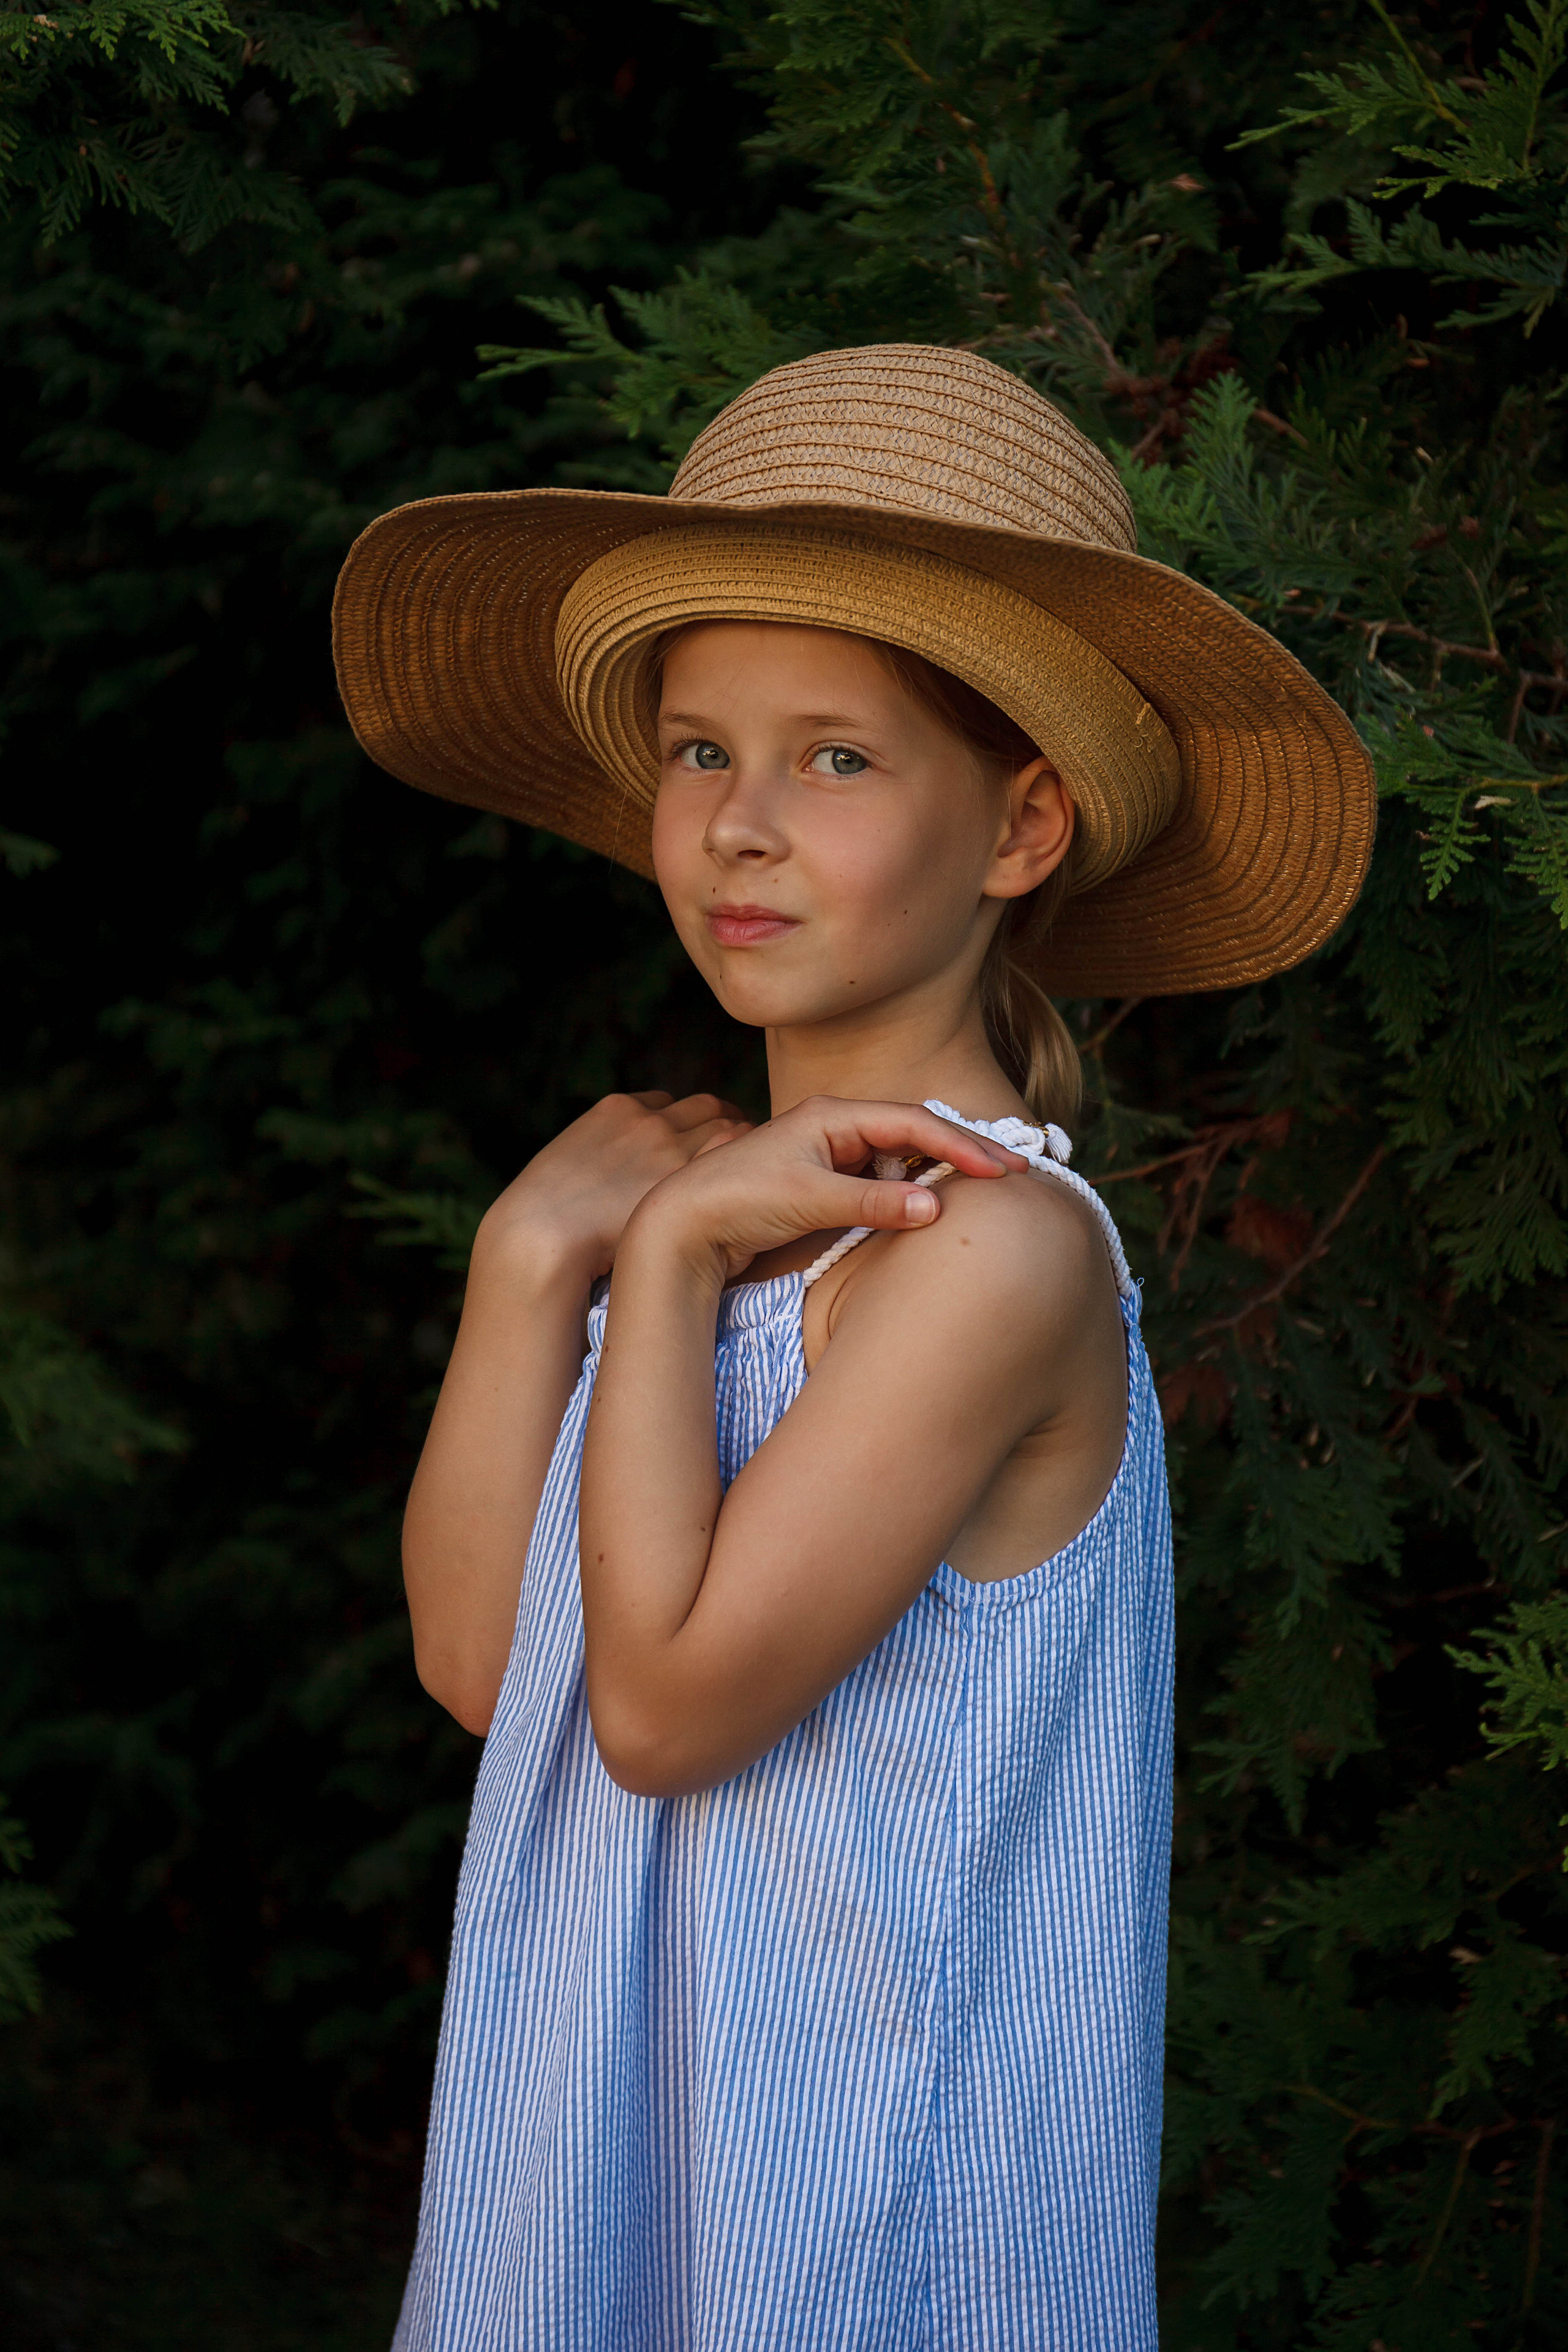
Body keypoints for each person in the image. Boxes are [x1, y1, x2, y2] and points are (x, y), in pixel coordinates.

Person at [333, 345, 1374, 2351]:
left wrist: (662, 1254)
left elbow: (664, 1716)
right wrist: (527, 1263)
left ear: (1023, 824)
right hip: (607, 2150)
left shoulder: (991, 1256)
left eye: (835, 760)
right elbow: (490, 1667)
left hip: (858, 2209)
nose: (738, 826)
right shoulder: (717, 1226)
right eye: (697, 751)